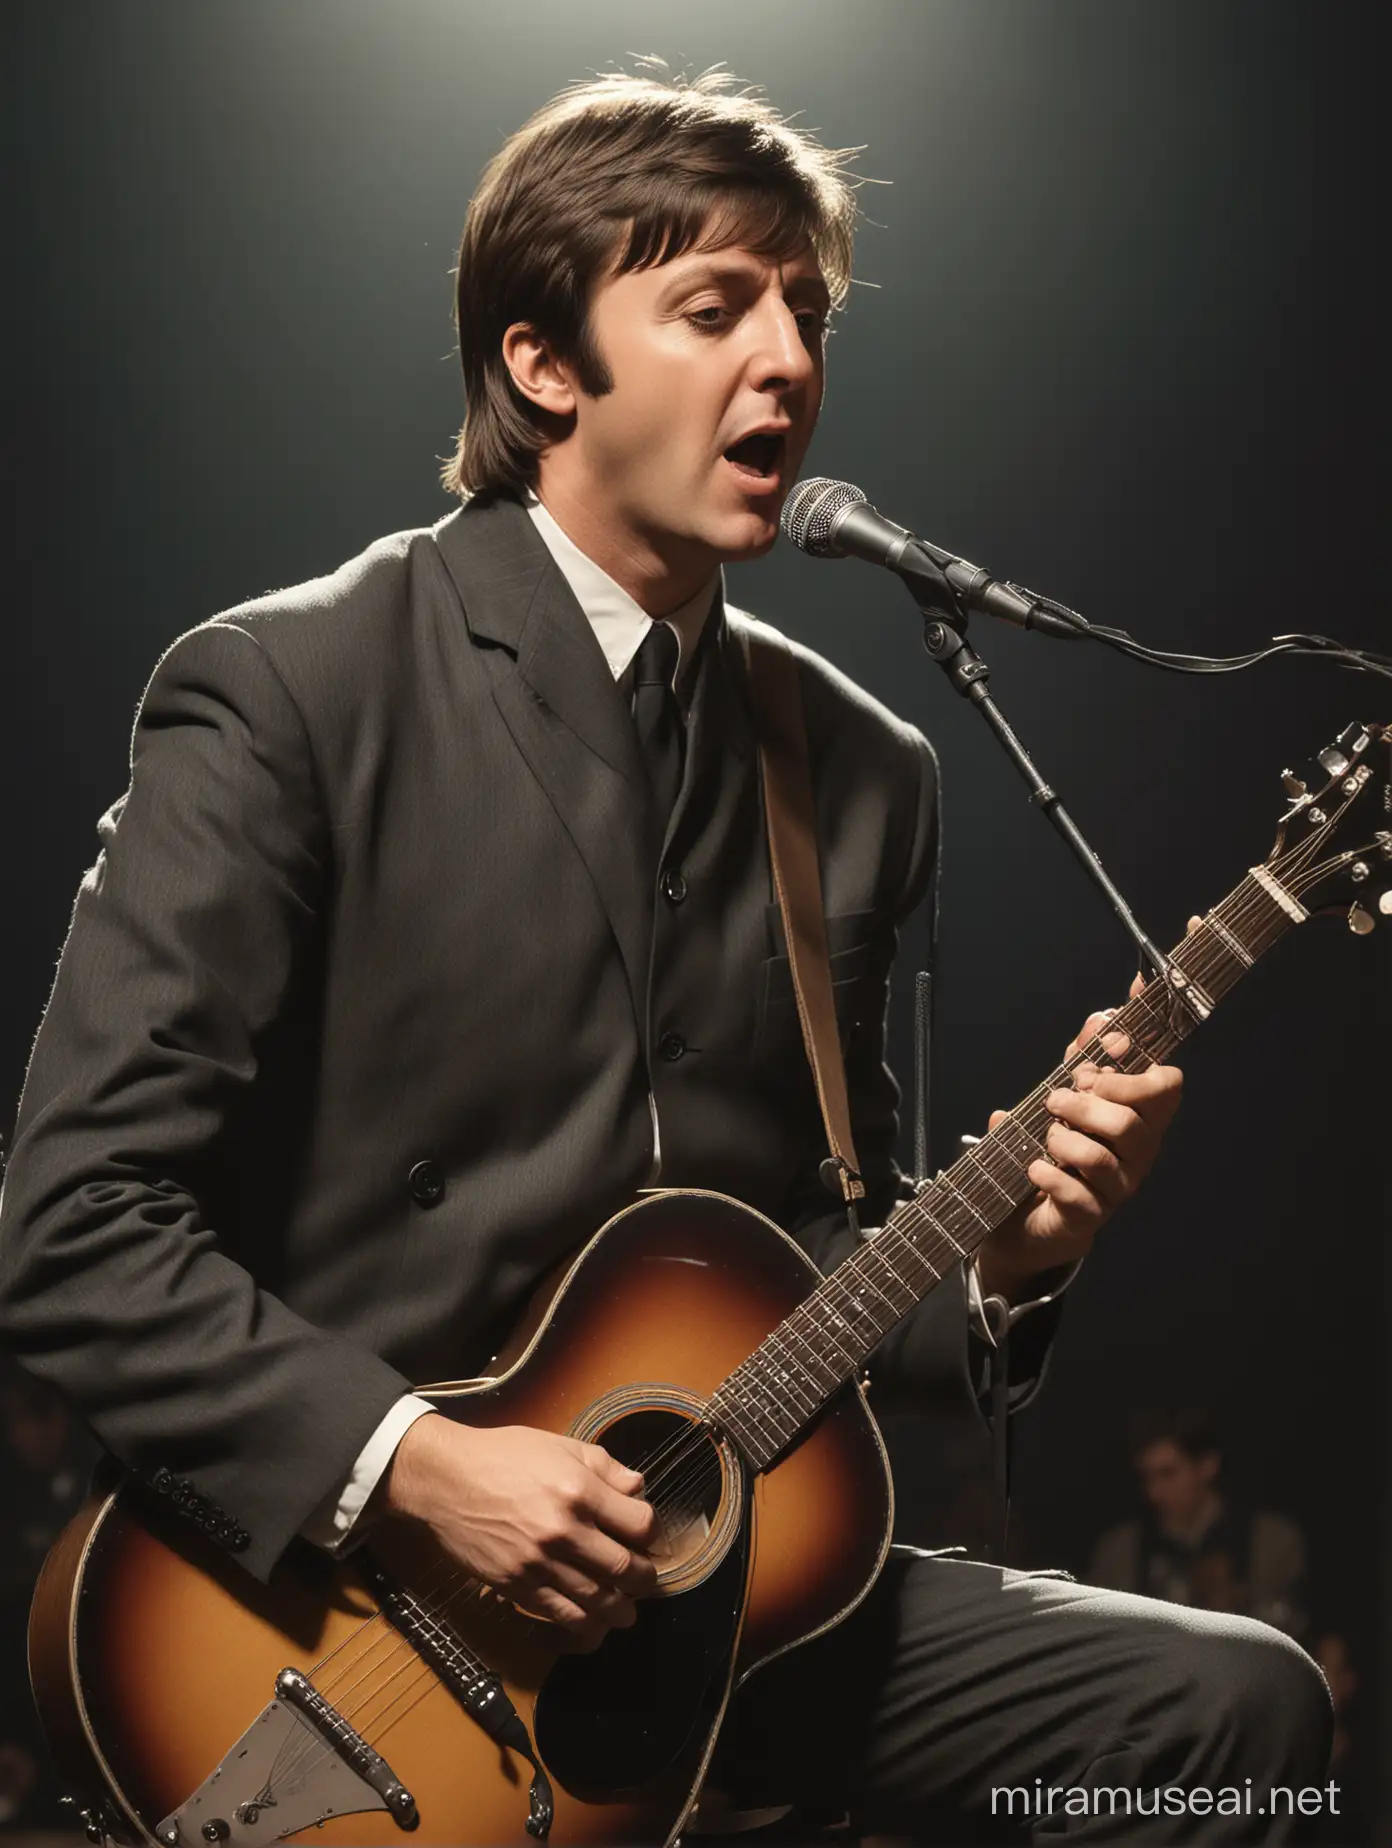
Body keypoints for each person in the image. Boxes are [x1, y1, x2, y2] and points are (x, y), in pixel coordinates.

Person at [0, 64, 1330, 1843]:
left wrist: (1012, 1252)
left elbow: (817, 1250)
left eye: (805, 308)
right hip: (338, 1616)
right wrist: (415, 1468)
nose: (787, 355)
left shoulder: (858, 770)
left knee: (1243, 1711)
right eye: (714, 306)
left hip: (719, 1592)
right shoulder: (292, 689)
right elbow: (72, 1219)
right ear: (543, 364)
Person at [1090, 1410, 1307, 1635]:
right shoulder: (1119, 1550)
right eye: (1147, 1477)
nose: (1154, 1492)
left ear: (1207, 1465)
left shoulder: (1271, 1541)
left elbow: (1292, 1633)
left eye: (1168, 1473)